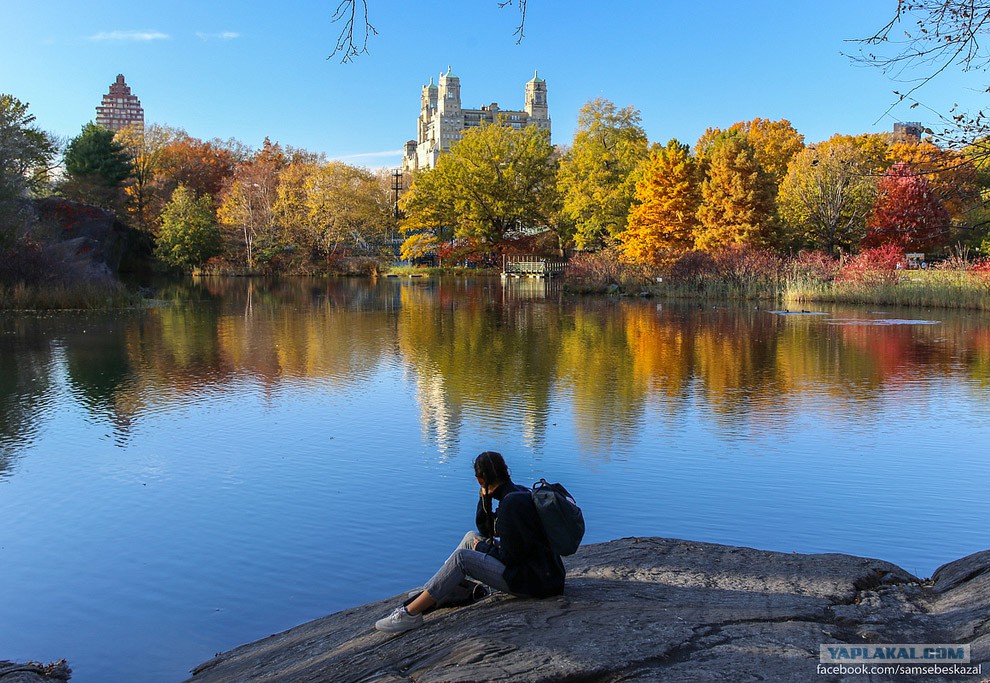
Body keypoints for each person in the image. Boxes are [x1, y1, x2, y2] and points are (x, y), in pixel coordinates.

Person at [375, 451, 565, 633]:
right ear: (506, 471)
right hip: (546, 573)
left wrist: (481, 547)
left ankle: (410, 614)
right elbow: (486, 530)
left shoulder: (510, 505)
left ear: (480, 480)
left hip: (535, 583)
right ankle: (430, 590)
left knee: (462, 558)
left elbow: (510, 558)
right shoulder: (518, 492)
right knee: (470, 536)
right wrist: (484, 497)